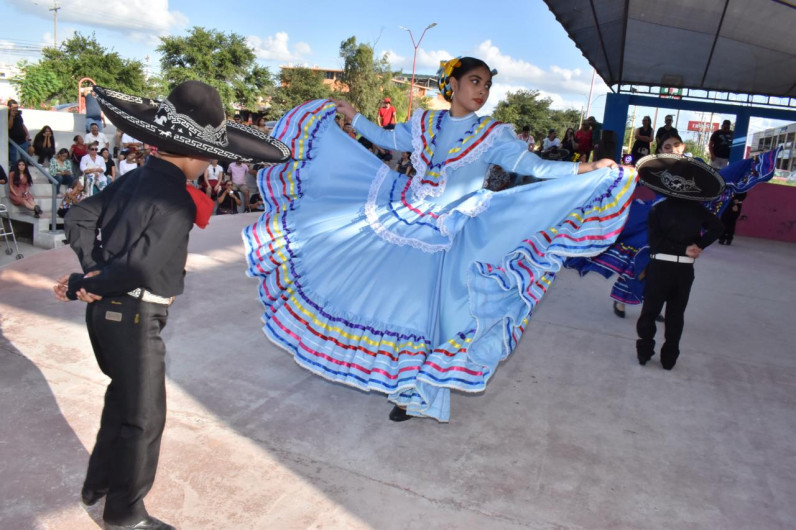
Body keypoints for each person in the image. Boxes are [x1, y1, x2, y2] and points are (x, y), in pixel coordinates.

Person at [243, 56, 633, 423]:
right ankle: (401, 381)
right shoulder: (424, 123)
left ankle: (419, 393)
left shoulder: (493, 134)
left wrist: (587, 167)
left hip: (456, 229)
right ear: (453, 84)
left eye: (487, 85)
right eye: (474, 82)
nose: (482, 91)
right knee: (394, 301)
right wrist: (353, 117)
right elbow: (389, 139)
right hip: (406, 215)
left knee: (433, 312)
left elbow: (533, 166)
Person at [52, 80, 290, 530]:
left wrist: (93, 270)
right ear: (195, 153)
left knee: (121, 401)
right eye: (211, 156)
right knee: (144, 419)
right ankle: (125, 513)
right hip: (135, 315)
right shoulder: (176, 200)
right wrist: (87, 280)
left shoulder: (134, 179)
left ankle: (97, 485)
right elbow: (141, 270)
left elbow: (80, 215)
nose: (211, 164)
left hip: (106, 315)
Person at [636, 195, 723, 370]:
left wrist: (683, 248)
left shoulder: (658, 209)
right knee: (676, 314)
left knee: (650, 311)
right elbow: (718, 227)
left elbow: (655, 242)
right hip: (684, 269)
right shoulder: (698, 209)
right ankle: (669, 359)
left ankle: (644, 352)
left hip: (660, 266)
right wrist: (698, 245)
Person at [7, 99, 30, 166]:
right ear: (9, 107)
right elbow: (9, 127)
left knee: (24, 160)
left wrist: (27, 134)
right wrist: (11, 116)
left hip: (23, 140)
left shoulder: (18, 115)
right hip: (14, 142)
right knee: (14, 161)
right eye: (14, 108)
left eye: (17, 107)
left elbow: (22, 124)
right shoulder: (7, 115)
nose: (16, 109)